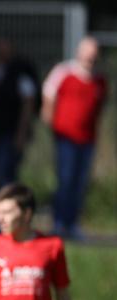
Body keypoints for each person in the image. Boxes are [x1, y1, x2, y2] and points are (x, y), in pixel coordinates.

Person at [42, 36, 107, 240]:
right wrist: (51, 121)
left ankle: (73, 223)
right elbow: (49, 94)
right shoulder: (64, 72)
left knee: (80, 182)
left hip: (87, 138)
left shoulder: (99, 80)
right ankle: (59, 222)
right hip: (66, 137)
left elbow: (99, 107)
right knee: (66, 179)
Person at [0, 39, 39, 213]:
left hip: (10, 133)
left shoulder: (19, 72)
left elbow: (28, 103)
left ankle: (6, 212)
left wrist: (21, 133)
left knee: (4, 176)